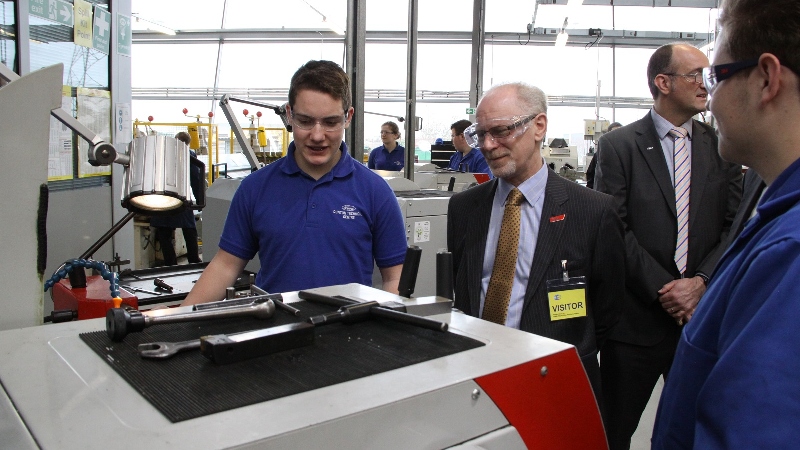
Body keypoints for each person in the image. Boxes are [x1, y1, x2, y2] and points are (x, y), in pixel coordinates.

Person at [652, 1, 800, 447]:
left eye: (715, 77)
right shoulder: (777, 215)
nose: (708, 97)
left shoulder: (789, 252)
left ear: (767, 79)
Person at [594, 43, 742, 450]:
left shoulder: (722, 146)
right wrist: (668, 289)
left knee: (696, 430)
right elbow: (613, 228)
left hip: (700, 320)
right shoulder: (619, 146)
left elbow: (734, 224)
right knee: (613, 432)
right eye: (695, 74)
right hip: (635, 323)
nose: (705, 84)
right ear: (663, 82)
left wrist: (700, 283)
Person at [447, 82, 626, 400]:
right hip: (476, 376)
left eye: (501, 131)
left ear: (538, 126)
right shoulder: (465, 208)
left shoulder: (592, 211)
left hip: (555, 381)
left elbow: (608, 308)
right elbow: (464, 288)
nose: (488, 145)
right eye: (481, 134)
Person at [183, 60, 407, 306]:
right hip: (276, 333)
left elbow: (394, 278)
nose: (318, 135)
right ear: (289, 114)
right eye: (305, 121)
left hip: (349, 336)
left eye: (331, 122)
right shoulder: (255, 188)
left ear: (348, 117)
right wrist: (177, 321)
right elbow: (225, 266)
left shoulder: (375, 192)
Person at [150, 131, 203, 266]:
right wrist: (200, 200)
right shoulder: (189, 156)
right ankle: (194, 260)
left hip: (162, 197)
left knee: (164, 232)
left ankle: (170, 263)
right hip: (181, 196)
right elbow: (195, 179)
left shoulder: (162, 154)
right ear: (188, 144)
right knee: (189, 230)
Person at [585, 121, 622, 189]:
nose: (617, 136)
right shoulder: (600, 153)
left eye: (619, 133)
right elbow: (591, 174)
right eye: (614, 133)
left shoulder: (627, 154)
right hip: (603, 192)